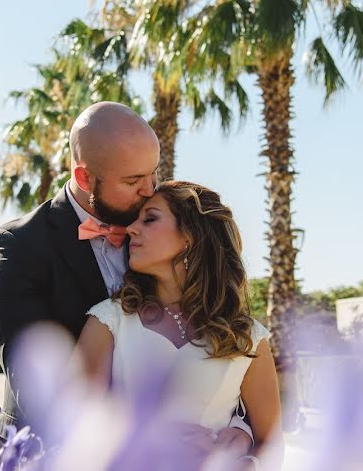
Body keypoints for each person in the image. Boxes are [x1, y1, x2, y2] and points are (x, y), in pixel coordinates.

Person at [0, 102, 161, 443]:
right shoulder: (17, 247)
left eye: (154, 172)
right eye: (133, 180)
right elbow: (36, 382)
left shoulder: (165, 231)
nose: (150, 190)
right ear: (83, 176)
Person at [75, 181, 283, 470]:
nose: (131, 229)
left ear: (190, 237)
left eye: (149, 218)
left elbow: (270, 441)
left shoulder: (246, 337)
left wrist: (242, 464)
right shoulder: (110, 320)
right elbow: (73, 422)